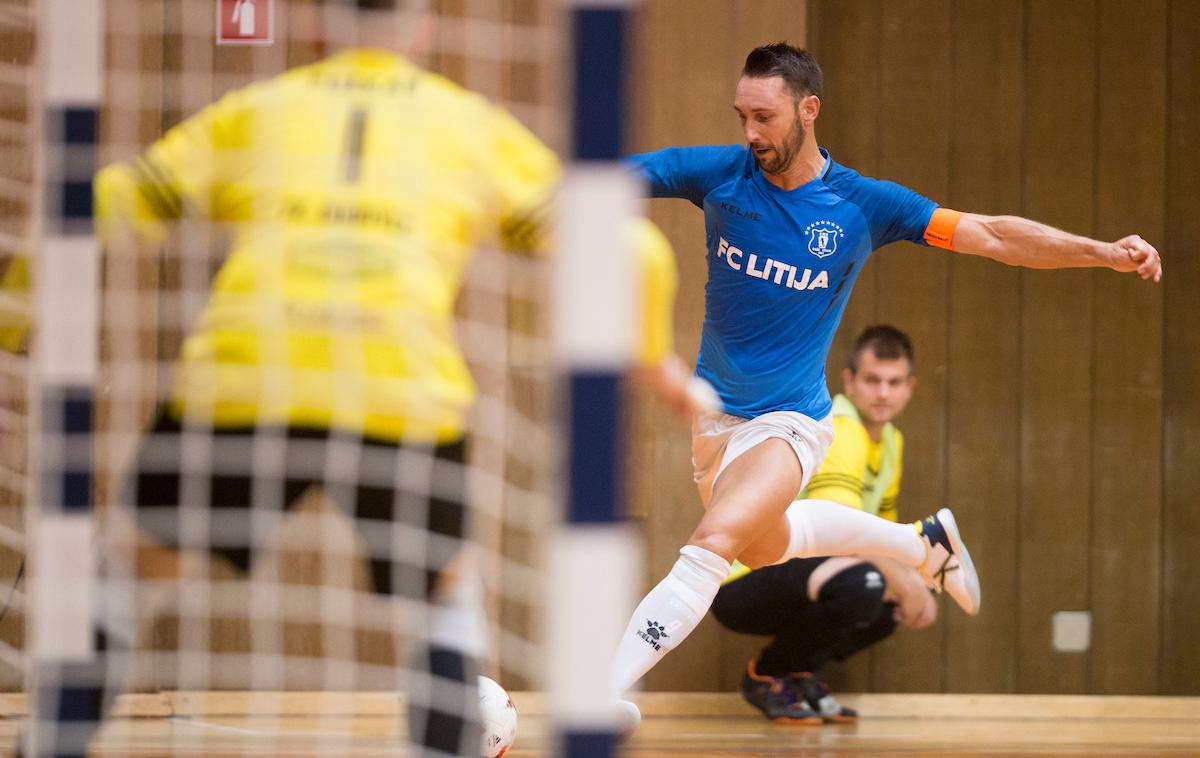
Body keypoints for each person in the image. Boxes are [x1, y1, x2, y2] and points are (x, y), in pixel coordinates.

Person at [28, 2, 693, 757]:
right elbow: (633, 248)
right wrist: (653, 359)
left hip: (244, 380)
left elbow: (100, 202)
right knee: (446, 596)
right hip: (399, 392)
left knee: (124, 578)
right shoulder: (467, 124)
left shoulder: (255, 110)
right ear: (423, 31)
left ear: (312, 26)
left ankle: (50, 743)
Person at [609, 41, 1161, 708]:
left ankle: (599, 694)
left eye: (765, 118)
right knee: (765, 547)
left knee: (714, 544)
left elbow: (991, 234)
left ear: (809, 110)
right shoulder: (721, 176)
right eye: (741, 117)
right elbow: (608, 176)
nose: (750, 133)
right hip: (714, 423)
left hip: (789, 420)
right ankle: (922, 546)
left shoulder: (862, 205)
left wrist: (1101, 252)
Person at [711, 324, 936, 723]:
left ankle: (797, 675)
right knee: (868, 582)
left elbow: (881, 533)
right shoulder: (841, 432)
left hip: (800, 570)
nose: (882, 392)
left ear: (909, 387)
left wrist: (913, 584)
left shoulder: (891, 443)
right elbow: (845, 535)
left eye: (893, 382)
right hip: (744, 579)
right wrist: (906, 581)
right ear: (849, 381)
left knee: (888, 602)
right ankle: (763, 675)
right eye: (872, 380)